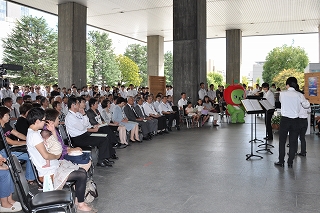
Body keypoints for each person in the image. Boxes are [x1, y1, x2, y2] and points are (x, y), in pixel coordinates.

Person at [26, 108, 94, 212]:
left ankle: (78, 201)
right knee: (81, 174)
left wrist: (53, 130)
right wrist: (57, 156)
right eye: (44, 120)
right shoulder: (34, 136)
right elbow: (46, 156)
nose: (45, 122)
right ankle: (80, 204)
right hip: (47, 171)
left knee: (81, 171)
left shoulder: (34, 132)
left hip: (53, 165)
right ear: (37, 121)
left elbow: (57, 146)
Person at [65, 97, 116, 167]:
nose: (79, 104)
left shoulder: (78, 114)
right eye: (78, 103)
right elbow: (82, 127)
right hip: (78, 139)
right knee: (103, 140)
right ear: (73, 105)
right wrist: (84, 121)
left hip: (85, 135)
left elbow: (86, 124)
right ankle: (101, 161)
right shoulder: (70, 117)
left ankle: (105, 158)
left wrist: (84, 116)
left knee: (105, 137)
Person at [274, 77, 310, 168]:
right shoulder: (299, 95)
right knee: (293, 141)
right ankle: (290, 162)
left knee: (282, 141)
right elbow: (307, 105)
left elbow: (282, 102)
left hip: (285, 120)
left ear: (287, 85)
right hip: (295, 120)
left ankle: (281, 161)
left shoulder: (282, 94)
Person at [0, 106, 36, 184]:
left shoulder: (6, 125)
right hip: (3, 152)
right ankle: (30, 178)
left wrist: (28, 139)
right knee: (30, 156)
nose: (9, 117)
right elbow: (11, 142)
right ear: (1, 116)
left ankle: (30, 177)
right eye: (7, 115)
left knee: (30, 153)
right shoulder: (0, 129)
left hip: (9, 148)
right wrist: (27, 142)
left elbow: (17, 134)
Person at [296, 86, 310, 157]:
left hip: (298, 120)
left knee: (295, 136)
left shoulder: (298, 103)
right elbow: (309, 111)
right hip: (305, 121)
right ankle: (303, 152)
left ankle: (294, 151)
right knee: (302, 137)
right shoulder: (307, 102)